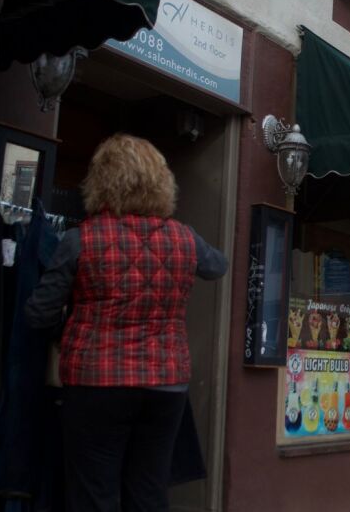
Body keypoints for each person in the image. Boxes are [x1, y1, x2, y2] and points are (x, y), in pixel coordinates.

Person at [25, 134, 227, 511]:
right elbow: (218, 266)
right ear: (161, 183)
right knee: (149, 491)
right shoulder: (184, 238)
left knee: (93, 494)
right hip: (166, 383)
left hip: (96, 381)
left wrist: (65, 331)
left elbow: (38, 312)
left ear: (101, 182)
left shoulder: (79, 240)